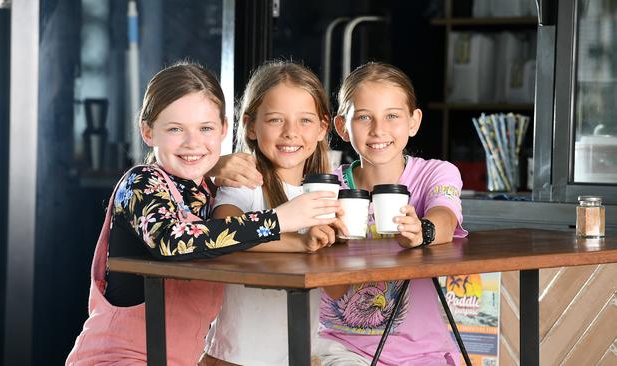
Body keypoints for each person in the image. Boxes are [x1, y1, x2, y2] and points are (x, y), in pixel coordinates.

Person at [65, 61, 341, 366]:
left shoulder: (204, 192)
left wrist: (301, 242)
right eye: (175, 129)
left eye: (205, 128)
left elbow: (222, 237)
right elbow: (175, 240)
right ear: (147, 131)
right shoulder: (141, 182)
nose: (192, 142)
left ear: (223, 129)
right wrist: (281, 219)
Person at [314, 62, 468, 366]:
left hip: (426, 352)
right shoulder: (326, 184)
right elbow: (331, 287)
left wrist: (421, 231)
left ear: (413, 122)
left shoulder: (436, 173)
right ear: (342, 127)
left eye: (392, 116)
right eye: (363, 117)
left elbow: (445, 221)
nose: (378, 129)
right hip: (344, 348)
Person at [201, 61, 345, 366]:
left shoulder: (327, 193)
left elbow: (337, 289)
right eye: (276, 120)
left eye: (305, 121)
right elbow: (224, 232)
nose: (291, 133)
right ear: (252, 126)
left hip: (300, 355)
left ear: (323, 127)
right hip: (237, 357)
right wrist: (301, 242)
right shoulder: (246, 182)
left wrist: (341, 245)